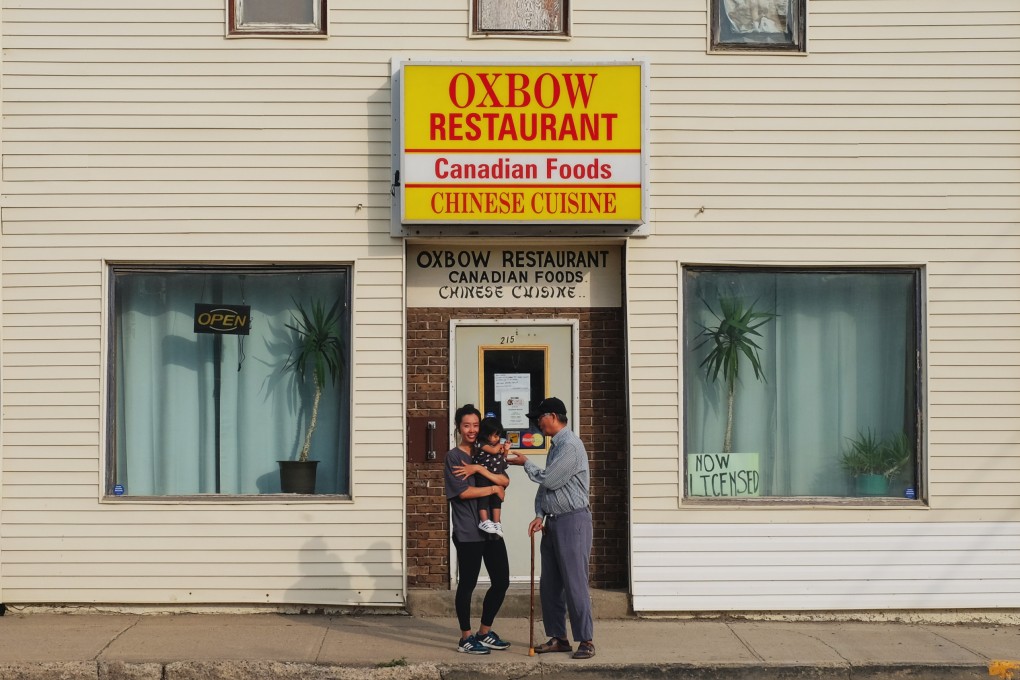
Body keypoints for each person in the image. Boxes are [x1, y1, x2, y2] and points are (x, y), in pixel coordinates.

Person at [506, 397, 596, 660]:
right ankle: (558, 637)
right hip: (554, 521)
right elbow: (546, 488)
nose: (536, 423)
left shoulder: (570, 445)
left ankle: (586, 641)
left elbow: (550, 479)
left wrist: (525, 463)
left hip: (572, 521)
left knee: (575, 583)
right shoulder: (556, 446)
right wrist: (540, 514)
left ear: (554, 416)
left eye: (539, 417)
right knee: (551, 584)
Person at [445, 403, 512, 654]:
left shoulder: (485, 453)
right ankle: (465, 637)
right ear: (458, 427)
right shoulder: (454, 456)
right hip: (468, 531)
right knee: (468, 584)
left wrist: (481, 470)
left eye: (475, 425)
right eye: (466, 425)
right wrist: (494, 489)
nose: (472, 430)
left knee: (502, 580)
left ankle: (484, 632)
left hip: (491, 530)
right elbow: (464, 492)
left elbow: (505, 479)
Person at [473, 416, 511, 537]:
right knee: (484, 498)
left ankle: (496, 522)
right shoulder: (481, 444)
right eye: (494, 435)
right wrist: (499, 447)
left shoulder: (496, 446)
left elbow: (503, 460)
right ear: (485, 434)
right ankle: (483, 521)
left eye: (498, 435)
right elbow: (493, 451)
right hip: (483, 476)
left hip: (495, 475)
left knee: (496, 500)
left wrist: (506, 450)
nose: (497, 438)